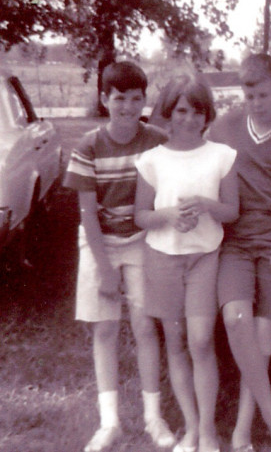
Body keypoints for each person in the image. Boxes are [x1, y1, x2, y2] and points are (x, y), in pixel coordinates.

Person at [63, 61, 177, 452]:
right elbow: (87, 214)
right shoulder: (89, 145)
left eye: (135, 99)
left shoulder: (158, 141)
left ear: (144, 100)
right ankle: (109, 421)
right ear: (104, 99)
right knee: (106, 328)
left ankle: (152, 417)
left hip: (144, 239)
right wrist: (105, 270)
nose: (127, 107)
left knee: (146, 326)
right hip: (99, 241)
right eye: (118, 99)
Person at [206, 53, 271, 452]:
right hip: (234, 238)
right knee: (236, 319)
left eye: (264, 95)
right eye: (249, 96)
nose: (256, 103)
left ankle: (241, 432)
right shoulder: (225, 126)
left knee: (263, 340)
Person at [133, 73, 239, 452]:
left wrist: (207, 206)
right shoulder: (152, 160)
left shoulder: (221, 155)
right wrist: (169, 216)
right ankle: (191, 429)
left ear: (207, 114)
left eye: (197, 111)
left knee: (201, 340)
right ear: (168, 111)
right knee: (175, 342)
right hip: (161, 258)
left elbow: (231, 211)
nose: (189, 119)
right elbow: (141, 216)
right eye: (181, 110)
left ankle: (208, 431)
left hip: (203, 258)